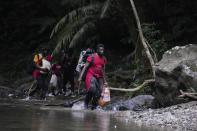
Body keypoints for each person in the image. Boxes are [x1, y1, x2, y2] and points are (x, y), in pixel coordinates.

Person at [78, 44, 107, 110]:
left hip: (99, 76)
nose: (102, 51)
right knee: (92, 89)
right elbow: (85, 67)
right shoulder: (92, 57)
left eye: (103, 50)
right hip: (91, 75)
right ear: (97, 50)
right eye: (100, 50)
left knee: (100, 91)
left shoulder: (104, 59)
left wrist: (105, 81)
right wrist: (80, 77)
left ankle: (94, 106)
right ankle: (86, 102)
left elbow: (103, 71)